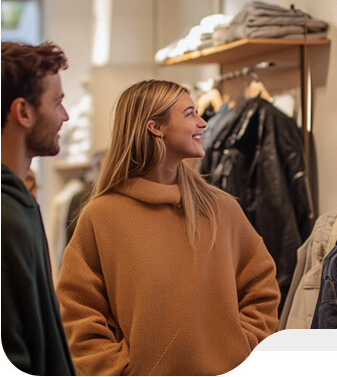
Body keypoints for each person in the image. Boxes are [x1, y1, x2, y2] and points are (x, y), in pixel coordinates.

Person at [56, 80, 281, 376]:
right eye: (189, 114)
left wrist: (241, 350)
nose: (203, 123)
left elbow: (261, 286)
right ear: (155, 127)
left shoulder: (222, 209)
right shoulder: (102, 216)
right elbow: (77, 311)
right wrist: (116, 370)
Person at [1, 41, 75, 375]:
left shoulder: (19, 202)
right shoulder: (7, 217)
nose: (65, 115)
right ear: (24, 112)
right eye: (57, 102)